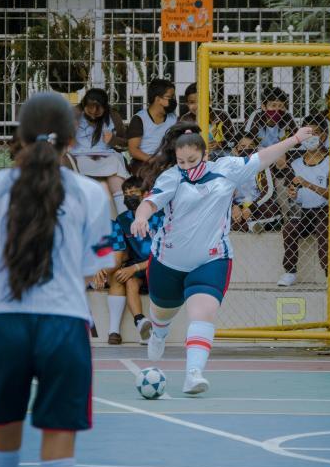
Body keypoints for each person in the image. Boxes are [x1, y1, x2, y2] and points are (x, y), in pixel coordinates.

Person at [0, 92, 115, 467]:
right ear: (72, 140)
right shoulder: (91, 193)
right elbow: (99, 267)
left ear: (17, 137)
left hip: (4, 326)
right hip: (64, 326)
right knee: (59, 462)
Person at [130, 120, 313, 394]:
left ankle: (194, 374)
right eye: (181, 162)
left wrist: (294, 139)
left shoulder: (226, 169)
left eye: (192, 160)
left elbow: (262, 157)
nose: (187, 167)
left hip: (211, 259)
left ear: (205, 155)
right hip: (168, 261)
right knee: (161, 313)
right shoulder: (171, 177)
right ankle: (159, 332)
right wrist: (141, 218)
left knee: (203, 314)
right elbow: (149, 203)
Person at [93, 176, 163, 345]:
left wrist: (134, 267)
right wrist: (106, 269)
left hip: (160, 266)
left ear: (146, 194)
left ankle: (159, 329)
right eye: (126, 193)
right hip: (139, 269)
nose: (129, 196)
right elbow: (122, 253)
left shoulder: (160, 217)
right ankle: (140, 323)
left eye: (134, 193)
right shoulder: (122, 220)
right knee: (127, 279)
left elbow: (164, 253)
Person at [277, 114, 330, 287]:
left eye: (315, 133)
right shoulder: (295, 164)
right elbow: (296, 194)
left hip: (325, 210)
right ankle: (290, 272)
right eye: (307, 133)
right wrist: (294, 194)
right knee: (289, 229)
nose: (310, 137)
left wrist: (307, 184)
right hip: (305, 212)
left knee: (324, 228)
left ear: (324, 136)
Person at [67, 88, 129, 215]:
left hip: (107, 157)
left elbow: (126, 142)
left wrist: (113, 139)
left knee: (116, 170)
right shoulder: (72, 114)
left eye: (98, 111)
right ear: (84, 105)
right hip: (79, 158)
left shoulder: (113, 116)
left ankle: (124, 217)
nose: (93, 114)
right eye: (90, 111)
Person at [230, 133, 281, 232]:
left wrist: (251, 208)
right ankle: (252, 225)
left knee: (272, 208)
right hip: (238, 206)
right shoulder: (229, 167)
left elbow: (268, 191)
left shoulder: (263, 165)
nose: (248, 149)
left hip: (258, 205)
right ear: (236, 150)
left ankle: (245, 225)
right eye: (243, 146)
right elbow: (224, 192)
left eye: (251, 146)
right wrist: (234, 207)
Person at [127, 79, 178, 175]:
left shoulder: (173, 119)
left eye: (173, 97)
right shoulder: (139, 119)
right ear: (158, 99)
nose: (173, 101)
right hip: (144, 163)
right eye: (169, 97)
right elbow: (133, 150)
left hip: (168, 163)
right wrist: (154, 160)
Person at [179, 82, 235, 158]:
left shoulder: (221, 115)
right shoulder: (185, 120)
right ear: (187, 104)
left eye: (201, 101)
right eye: (192, 102)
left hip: (220, 156)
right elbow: (180, 144)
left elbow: (233, 141)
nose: (197, 106)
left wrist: (220, 144)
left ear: (209, 101)